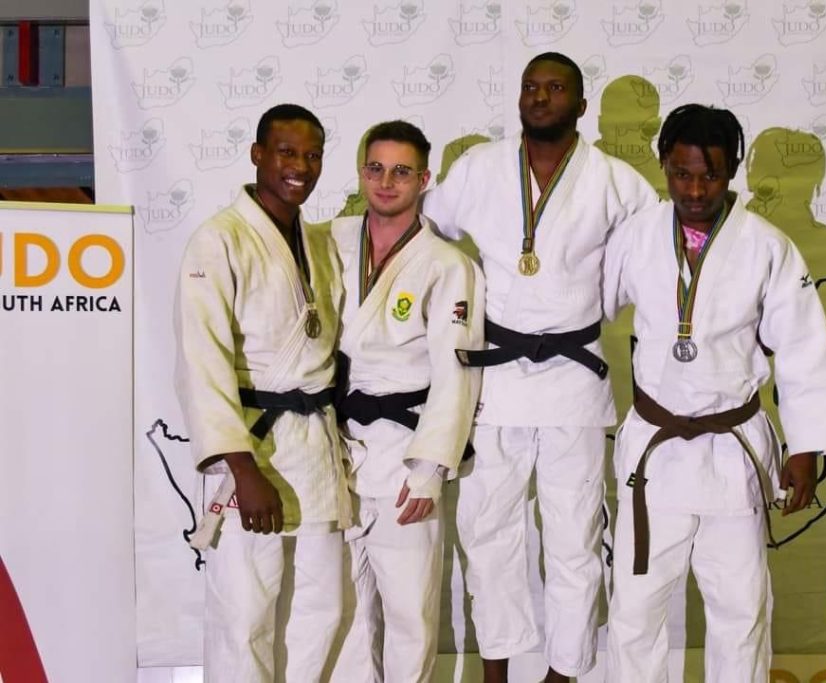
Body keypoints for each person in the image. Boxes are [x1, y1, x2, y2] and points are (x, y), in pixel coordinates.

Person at [424, 52, 658, 683]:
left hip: (574, 379)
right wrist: (455, 305)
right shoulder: (479, 168)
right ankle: (495, 668)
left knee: (574, 535)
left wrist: (598, 308)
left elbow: (647, 266)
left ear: (581, 105)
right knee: (486, 529)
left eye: (555, 87)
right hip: (496, 378)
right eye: (531, 86)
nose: (540, 96)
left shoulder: (616, 183)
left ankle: (564, 671)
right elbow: (428, 233)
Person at [602, 103, 826, 682]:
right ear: (664, 165)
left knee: (740, 610)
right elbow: (585, 310)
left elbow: (803, 347)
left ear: (732, 170)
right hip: (656, 452)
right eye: (682, 174)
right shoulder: (635, 237)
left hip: (730, 450)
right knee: (635, 611)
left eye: (710, 175)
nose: (695, 190)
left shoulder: (767, 246)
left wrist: (805, 447)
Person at [174, 103, 350, 682]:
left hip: (314, 445)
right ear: (257, 155)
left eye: (312, 155)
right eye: (286, 152)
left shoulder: (317, 242)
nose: (300, 166)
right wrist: (243, 469)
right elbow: (202, 362)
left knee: (320, 611)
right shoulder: (218, 240)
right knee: (245, 617)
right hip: (253, 447)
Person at [328, 120, 484, 682]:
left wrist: (429, 471)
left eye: (401, 171)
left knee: (409, 615)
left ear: (424, 179)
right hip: (336, 449)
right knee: (343, 612)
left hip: (404, 453)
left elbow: (457, 373)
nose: (386, 182)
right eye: (375, 168)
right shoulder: (331, 240)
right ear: (360, 172)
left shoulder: (448, 264)